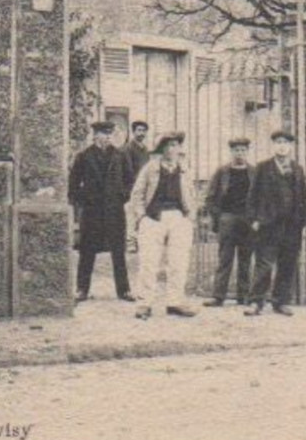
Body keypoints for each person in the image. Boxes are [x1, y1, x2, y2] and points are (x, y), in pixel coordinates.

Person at [244, 130, 306, 317]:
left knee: (287, 263)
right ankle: (255, 301)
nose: (282, 146)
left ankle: (280, 302)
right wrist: (254, 219)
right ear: (273, 146)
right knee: (264, 264)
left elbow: (304, 197)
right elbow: (252, 195)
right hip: (268, 224)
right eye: (278, 142)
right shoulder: (262, 167)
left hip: (292, 225)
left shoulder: (297, 169)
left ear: (290, 147)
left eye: (285, 143)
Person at [128, 132, 198, 319]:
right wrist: (141, 216)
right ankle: (144, 304)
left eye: (175, 146)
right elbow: (137, 194)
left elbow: (192, 194)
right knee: (149, 262)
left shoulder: (184, 169)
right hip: (153, 219)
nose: (172, 150)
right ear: (161, 149)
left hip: (178, 218)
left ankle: (175, 302)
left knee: (178, 262)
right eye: (168, 146)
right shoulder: (150, 168)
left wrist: (190, 216)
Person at [68, 120, 137, 303]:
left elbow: (131, 181)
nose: (107, 137)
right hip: (92, 212)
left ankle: (124, 290)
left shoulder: (120, 155)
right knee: (86, 251)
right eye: (103, 133)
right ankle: (82, 289)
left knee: (118, 251)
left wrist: (122, 196)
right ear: (95, 135)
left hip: (114, 211)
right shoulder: (83, 156)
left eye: (109, 134)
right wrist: (85, 199)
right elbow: (73, 186)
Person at [202, 137, 256, 306]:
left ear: (247, 152)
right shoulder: (222, 172)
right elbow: (210, 197)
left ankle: (244, 296)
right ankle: (218, 296)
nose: (239, 153)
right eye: (236, 150)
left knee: (245, 259)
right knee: (225, 258)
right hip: (228, 218)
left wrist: (256, 218)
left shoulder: (254, 172)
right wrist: (218, 217)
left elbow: (261, 196)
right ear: (231, 151)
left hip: (248, 220)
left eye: (243, 150)